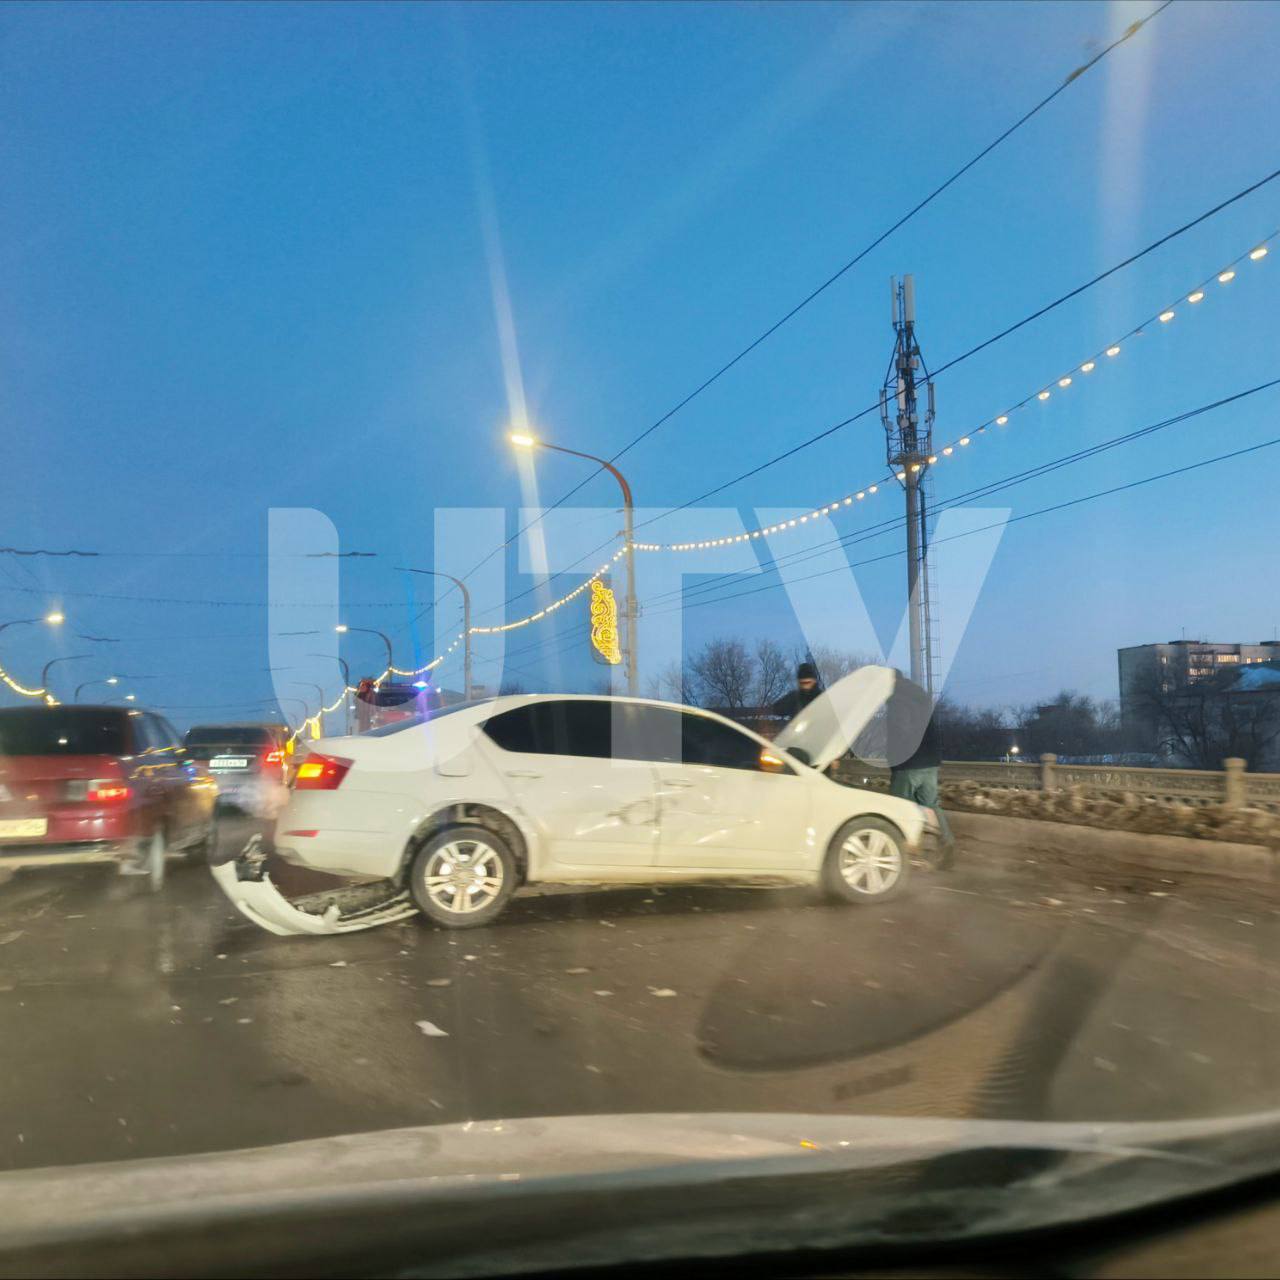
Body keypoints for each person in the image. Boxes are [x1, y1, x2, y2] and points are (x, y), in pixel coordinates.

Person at [885, 670, 957, 867]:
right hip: (930, 761)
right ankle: (947, 841)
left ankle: (902, 851)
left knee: (899, 806)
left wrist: (895, 759)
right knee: (931, 804)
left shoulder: (897, 700)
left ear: (891, 681)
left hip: (909, 763)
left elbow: (901, 731)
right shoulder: (920, 697)